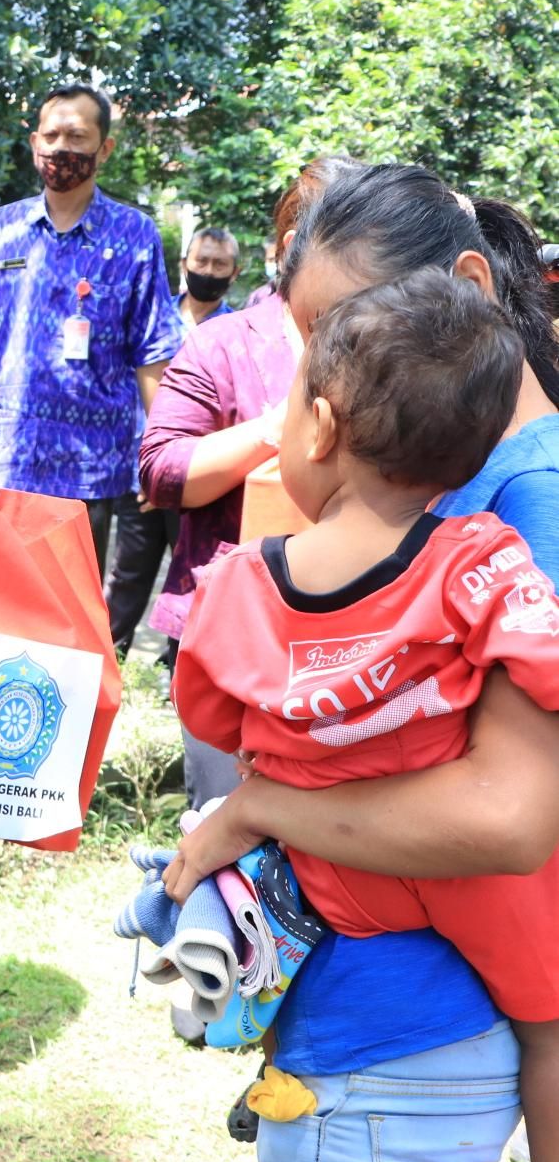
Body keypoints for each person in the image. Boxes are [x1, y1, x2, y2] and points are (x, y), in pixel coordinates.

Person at [163, 162, 559, 1162]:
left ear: (465, 289)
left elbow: (510, 815)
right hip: (371, 1028)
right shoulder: (457, 512)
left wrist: (260, 803)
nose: (321, 378)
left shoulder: (529, 501)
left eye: (342, 331)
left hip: (407, 1054)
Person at [139, 156, 361, 815]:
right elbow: (164, 472)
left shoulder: (389, 343)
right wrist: (278, 428)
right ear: (293, 248)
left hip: (358, 630)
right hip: (232, 631)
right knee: (227, 819)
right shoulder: (224, 343)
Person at [0, 83, 177, 578]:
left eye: (77, 136)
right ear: (34, 144)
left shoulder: (135, 235)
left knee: (68, 609)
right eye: (50, 136)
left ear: (104, 148)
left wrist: (161, 454)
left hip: (88, 468)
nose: (61, 148)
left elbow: (152, 352)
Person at [104, 225, 240, 658]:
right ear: (184, 265)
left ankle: (180, 665)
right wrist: (153, 474)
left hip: (201, 480)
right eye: (202, 261)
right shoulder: (151, 317)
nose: (209, 271)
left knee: (194, 579)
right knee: (127, 574)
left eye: (219, 264)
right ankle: (109, 658)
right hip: (138, 474)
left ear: (234, 273)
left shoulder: (236, 333)